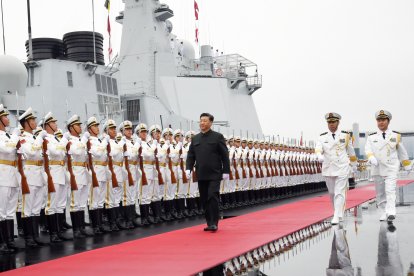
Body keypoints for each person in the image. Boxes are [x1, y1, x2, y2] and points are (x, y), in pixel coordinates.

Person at [186, 113, 230, 232]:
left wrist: (226, 170)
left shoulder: (217, 137)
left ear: (210, 123)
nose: (202, 123)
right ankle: (209, 222)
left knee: (212, 196)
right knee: (204, 198)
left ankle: (214, 222)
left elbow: (225, 155)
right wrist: (188, 168)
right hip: (201, 173)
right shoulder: (195, 138)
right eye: (201, 121)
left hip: (215, 173)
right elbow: (191, 155)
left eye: (205, 121)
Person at [365, 110, 411, 222]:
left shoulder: (395, 135)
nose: (381, 122)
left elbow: (402, 151)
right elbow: (367, 149)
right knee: (380, 192)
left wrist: (406, 164)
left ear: (388, 121)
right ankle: (383, 211)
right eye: (379, 120)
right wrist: (371, 157)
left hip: (391, 167)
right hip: (377, 167)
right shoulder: (371, 137)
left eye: (383, 120)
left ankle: (391, 211)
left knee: (390, 190)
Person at [315, 112, 357, 225]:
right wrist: (319, 155)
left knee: (339, 192)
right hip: (328, 168)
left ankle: (336, 215)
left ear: (338, 122)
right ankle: (338, 212)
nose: (331, 124)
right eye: (329, 122)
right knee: (332, 193)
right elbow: (318, 148)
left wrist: (354, 165)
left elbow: (351, 151)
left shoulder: (345, 135)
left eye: (333, 122)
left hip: (342, 167)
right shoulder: (322, 136)